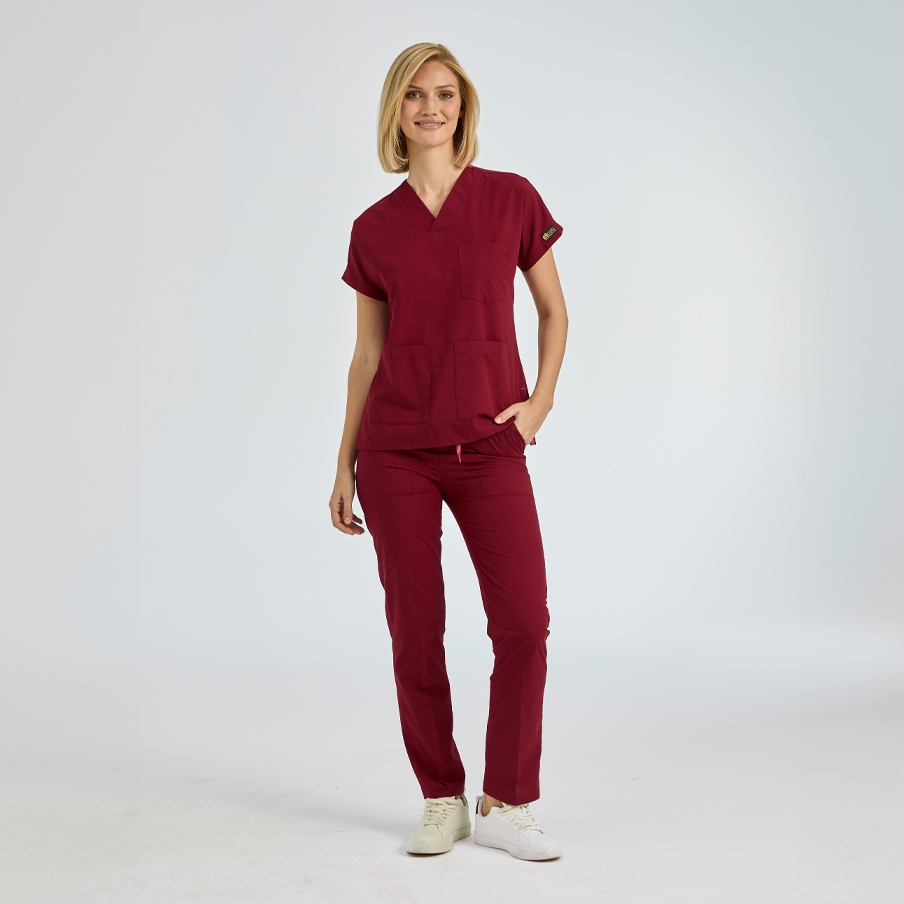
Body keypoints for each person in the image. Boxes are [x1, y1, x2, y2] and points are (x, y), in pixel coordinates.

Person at [329, 42, 569, 861]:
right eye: (414, 95)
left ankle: (507, 798)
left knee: (524, 622)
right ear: (395, 111)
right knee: (415, 629)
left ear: (462, 107)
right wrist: (343, 461)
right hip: (395, 451)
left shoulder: (510, 198)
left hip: (492, 444)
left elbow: (554, 312)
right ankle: (442, 797)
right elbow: (366, 354)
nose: (430, 107)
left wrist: (538, 404)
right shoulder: (374, 229)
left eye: (444, 94)